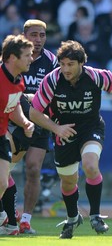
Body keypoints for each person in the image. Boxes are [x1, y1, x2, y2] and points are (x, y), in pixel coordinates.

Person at [29, 40, 112, 239]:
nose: (65, 69)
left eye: (70, 64)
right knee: (68, 182)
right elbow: (34, 112)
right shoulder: (52, 80)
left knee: (90, 165)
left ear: (81, 64)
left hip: (91, 128)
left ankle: (95, 216)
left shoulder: (96, 76)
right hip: (64, 132)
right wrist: (56, 128)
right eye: (62, 64)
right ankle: (72, 218)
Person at [6, 19, 59, 235]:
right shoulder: (14, 58)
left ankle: (25, 219)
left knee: (34, 169)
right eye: (34, 35)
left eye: (42, 35)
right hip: (12, 119)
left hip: (39, 122)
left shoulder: (53, 62)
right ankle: (8, 215)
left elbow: (57, 91)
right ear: (24, 35)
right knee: (5, 168)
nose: (38, 40)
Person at [0, 34, 35, 235]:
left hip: (1, 135)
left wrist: (24, 122)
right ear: (12, 57)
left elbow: (13, 108)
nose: (31, 58)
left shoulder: (18, 81)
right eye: (27, 55)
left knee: (3, 183)